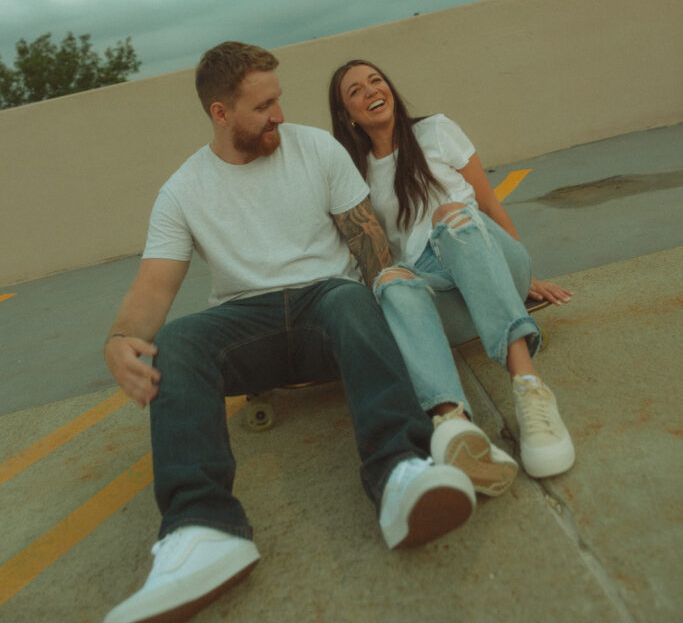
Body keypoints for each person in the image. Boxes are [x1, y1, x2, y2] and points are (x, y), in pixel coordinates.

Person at [103, 42, 478, 623]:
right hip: (245, 325)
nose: (279, 114)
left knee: (353, 296)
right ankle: (202, 531)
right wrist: (121, 337)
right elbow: (154, 287)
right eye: (262, 106)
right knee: (176, 342)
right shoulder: (182, 191)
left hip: (327, 307)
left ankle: (400, 472)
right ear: (221, 114)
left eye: (278, 99)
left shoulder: (315, 148)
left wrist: (400, 307)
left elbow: (368, 241)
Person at [328, 59, 575, 491]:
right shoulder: (357, 171)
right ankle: (455, 429)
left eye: (376, 81)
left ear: (390, 88)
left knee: (452, 214)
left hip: (485, 251)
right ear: (347, 114)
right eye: (355, 91)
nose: (370, 91)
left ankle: (529, 388)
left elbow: (491, 205)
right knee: (388, 280)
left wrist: (525, 273)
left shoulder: (436, 131)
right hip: (440, 292)